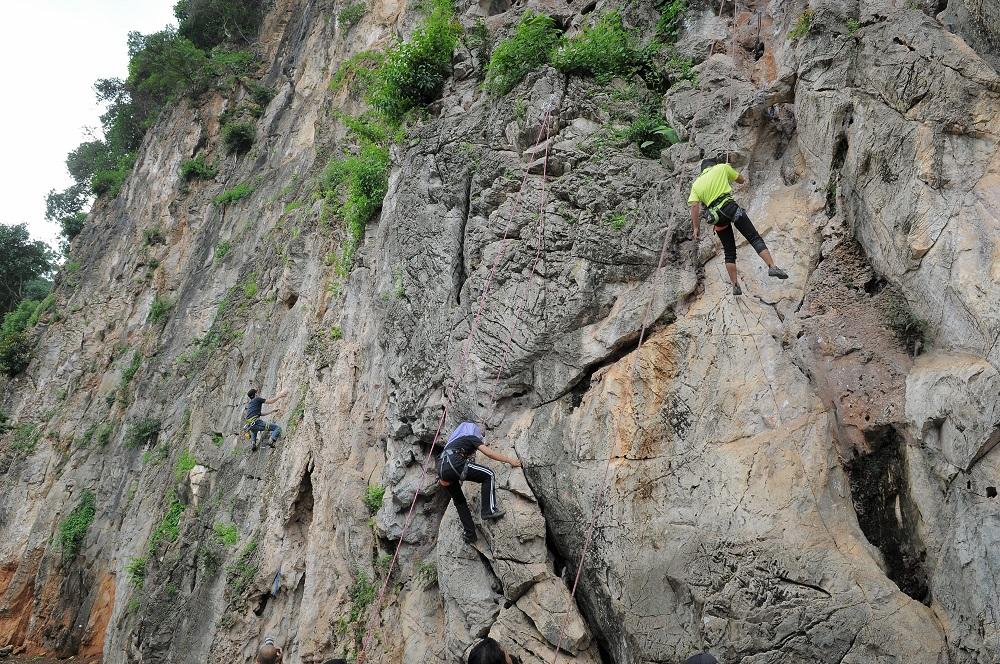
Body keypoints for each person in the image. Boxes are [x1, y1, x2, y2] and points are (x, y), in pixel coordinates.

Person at [688, 156, 788, 295]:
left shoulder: (697, 183)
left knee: (729, 252)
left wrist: (696, 228)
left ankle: (735, 286)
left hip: (717, 218)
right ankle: (772, 266)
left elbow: (694, 206)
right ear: (713, 165)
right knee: (754, 237)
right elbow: (741, 180)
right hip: (731, 209)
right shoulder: (721, 167)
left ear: (703, 170)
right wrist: (728, 170)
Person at [437, 422, 521, 544]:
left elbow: (445, 463)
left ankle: (470, 534)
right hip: (454, 463)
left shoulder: (452, 444)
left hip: (441, 470)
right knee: (488, 474)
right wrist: (509, 460)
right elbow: (489, 453)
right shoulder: (470, 437)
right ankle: (489, 510)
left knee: (460, 502)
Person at [244, 387, 288, 451]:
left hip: (250, 426)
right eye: (256, 393)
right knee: (277, 428)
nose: (258, 394)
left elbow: (260, 414)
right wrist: (279, 396)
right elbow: (270, 401)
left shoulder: (250, 404)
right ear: (255, 394)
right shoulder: (257, 399)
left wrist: (272, 411)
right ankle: (271, 440)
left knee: (254, 431)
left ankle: (253, 443)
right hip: (257, 423)